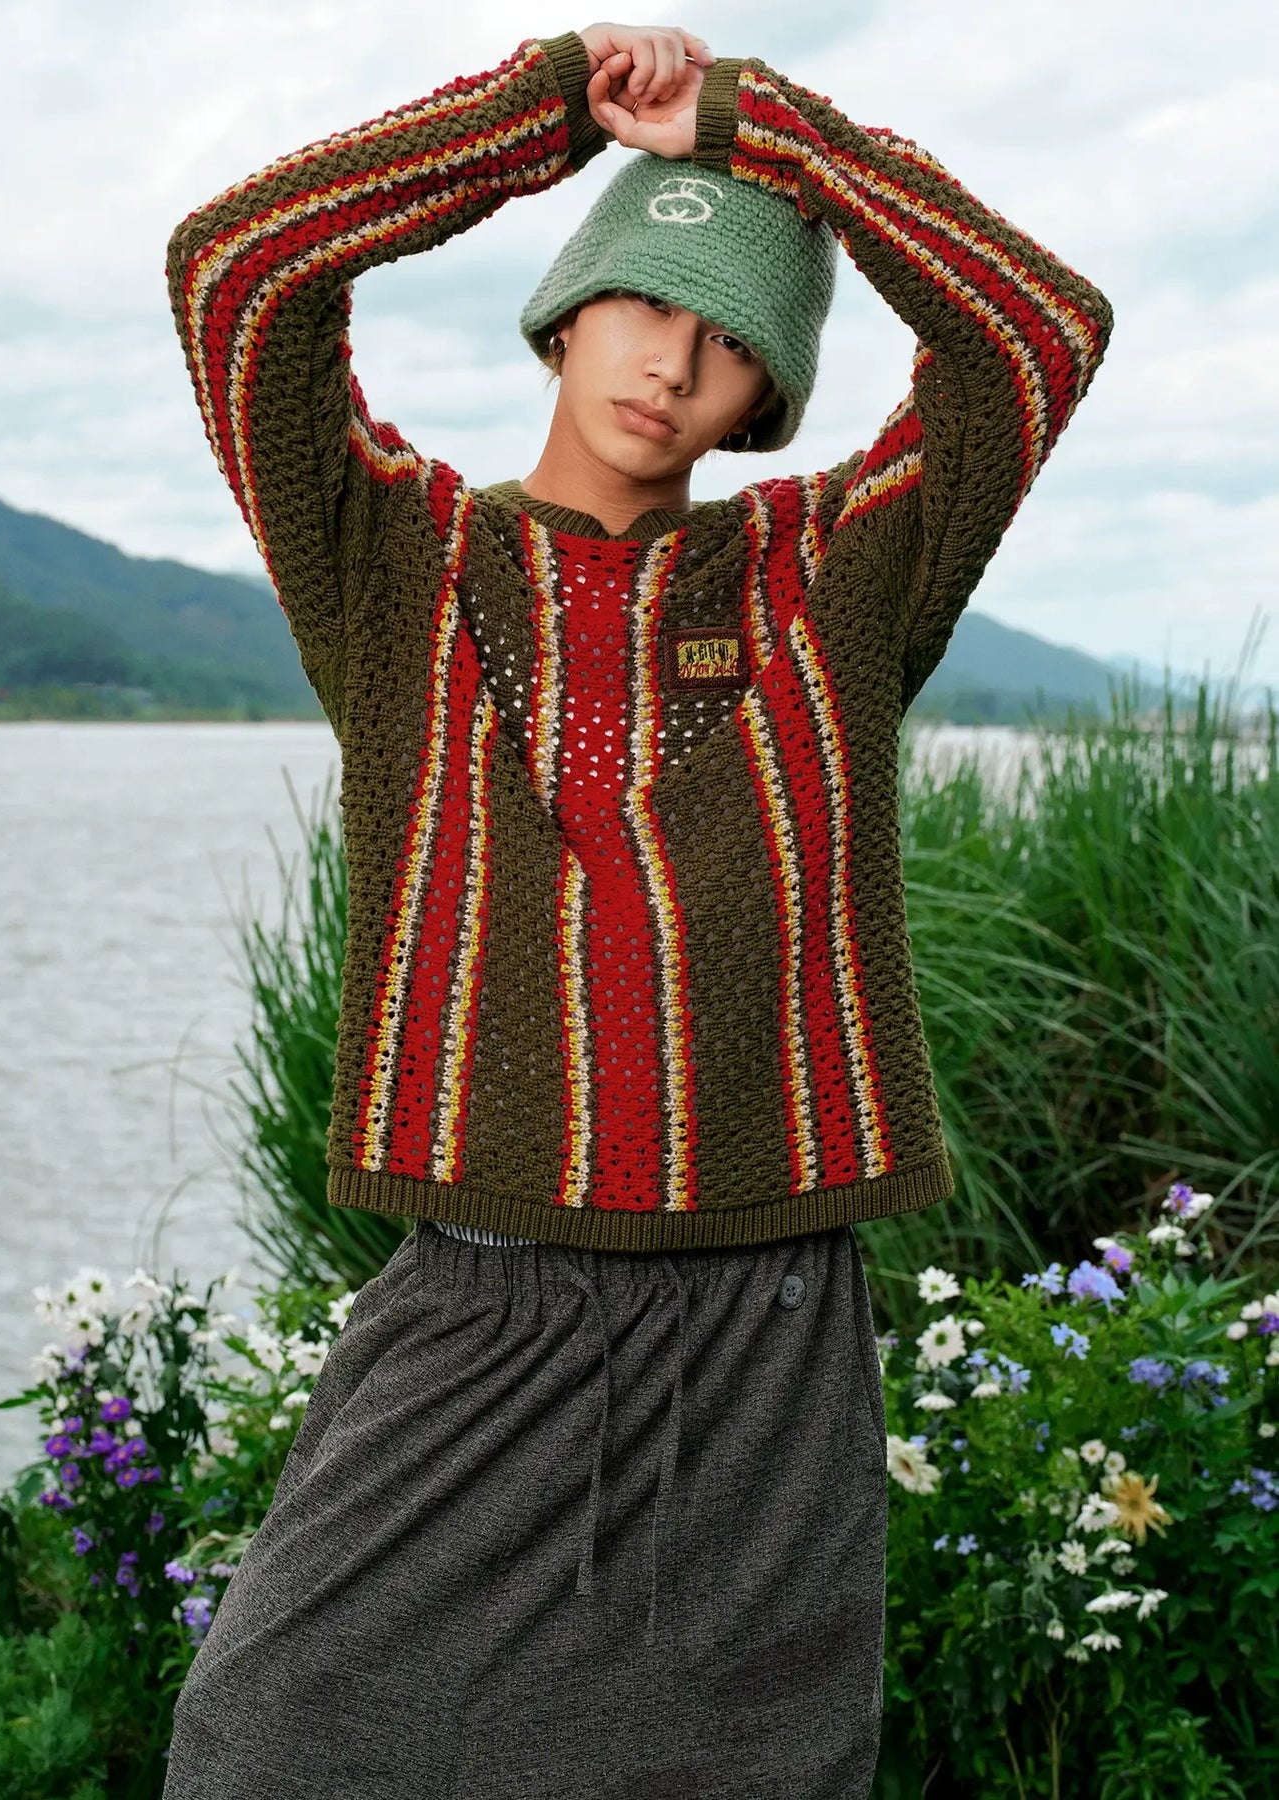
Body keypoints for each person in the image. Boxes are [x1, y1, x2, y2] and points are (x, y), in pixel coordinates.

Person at [161, 21, 1112, 1797]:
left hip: (762, 1324)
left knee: (738, 1773)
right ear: (564, 315)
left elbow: (1035, 335)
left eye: (734, 341)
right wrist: (545, 114)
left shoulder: (834, 576)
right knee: (264, 1747)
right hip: (480, 1304)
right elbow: (238, 275)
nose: (672, 363)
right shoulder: (392, 563)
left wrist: (764, 128)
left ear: (769, 401)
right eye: (645, 302)